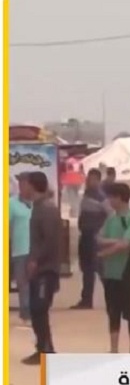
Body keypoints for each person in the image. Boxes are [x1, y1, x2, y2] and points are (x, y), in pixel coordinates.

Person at [98, 183, 130, 353]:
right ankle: (114, 349)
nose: (109, 201)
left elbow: (126, 245)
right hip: (111, 272)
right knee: (113, 311)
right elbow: (100, 239)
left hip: (128, 272)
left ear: (120, 198)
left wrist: (106, 252)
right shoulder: (110, 219)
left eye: (112, 197)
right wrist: (117, 241)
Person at [22, 171, 62, 365]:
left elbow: (50, 240)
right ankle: (43, 348)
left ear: (33, 185)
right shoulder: (38, 207)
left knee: (40, 308)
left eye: (24, 184)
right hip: (39, 268)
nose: (22, 188)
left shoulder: (46, 209)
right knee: (36, 309)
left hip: (46, 269)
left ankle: (46, 350)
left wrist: (35, 260)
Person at [72, 168, 111, 310]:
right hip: (85, 235)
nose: (90, 182)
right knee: (87, 269)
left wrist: (101, 233)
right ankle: (86, 300)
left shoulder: (101, 197)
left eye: (93, 179)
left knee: (99, 268)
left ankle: (114, 296)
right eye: (89, 179)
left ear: (99, 181)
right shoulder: (86, 194)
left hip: (94, 237)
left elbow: (111, 216)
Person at [9, 173, 32, 324]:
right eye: (20, 183)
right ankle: (26, 313)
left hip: (36, 250)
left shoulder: (38, 203)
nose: (22, 186)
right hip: (20, 249)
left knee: (36, 282)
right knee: (23, 283)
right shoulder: (11, 203)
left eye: (25, 183)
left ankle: (36, 311)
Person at [62, 154, 85, 218]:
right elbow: (82, 172)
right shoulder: (79, 162)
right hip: (78, 181)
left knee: (72, 198)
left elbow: (64, 172)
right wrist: (83, 180)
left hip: (69, 181)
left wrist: (63, 181)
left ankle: (74, 212)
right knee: (76, 197)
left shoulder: (67, 162)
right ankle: (76, 211)